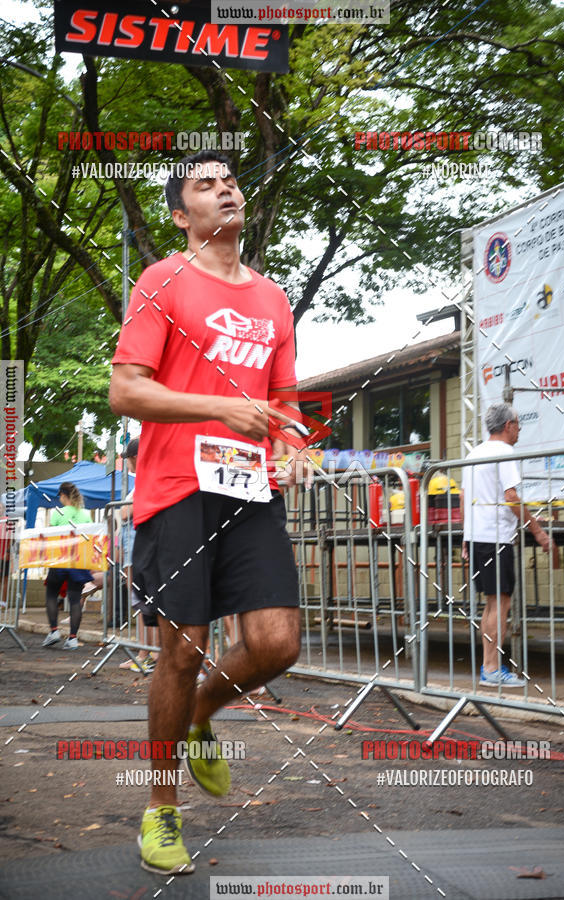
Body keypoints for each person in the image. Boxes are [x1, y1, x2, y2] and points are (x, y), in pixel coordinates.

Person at [109, 150, 309, 875]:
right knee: (181, 648)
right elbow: (127, 392)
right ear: (179, 214)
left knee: (277, 643)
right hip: (175, 488)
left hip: (252, 491)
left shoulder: (275, 298)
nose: (224, 189)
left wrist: (293, 445)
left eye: (229, 181)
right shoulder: (163, 280)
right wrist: (223, 406)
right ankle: (160, 810)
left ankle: (200, 714)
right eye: (204, 184)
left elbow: (286, 404)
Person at [462, 403, 553, 687]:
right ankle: (492, 669)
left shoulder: (474, 453)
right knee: (501, 604)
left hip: (479, 536)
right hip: (496, 538)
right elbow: (511, 496)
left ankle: (489, 667)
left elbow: (465, 498)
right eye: (517, 423)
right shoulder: (505, 452)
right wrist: (538, 532)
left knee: (492, 604)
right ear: (507, 426)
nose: (520, 428)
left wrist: (465, 537)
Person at [118, 438, 159, 673]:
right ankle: (145, 652)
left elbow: (127, 512)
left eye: (129, 458)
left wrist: (124, 511)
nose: (128, 464)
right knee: (141, 603)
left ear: (136, 457)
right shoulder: (142, 480)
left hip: (140, 548)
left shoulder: (148, 477)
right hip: (136, 547)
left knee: (145, 603)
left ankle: (150, 653)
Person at [42, 482, 92, 650]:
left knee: (51, 594)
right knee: (75, 599)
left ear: (63, 496)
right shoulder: (86, 514)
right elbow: (89, 538)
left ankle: (54, 631)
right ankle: (72, 638)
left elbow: (50, 538)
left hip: (59, 560)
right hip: (78, 561)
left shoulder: (58, 513)